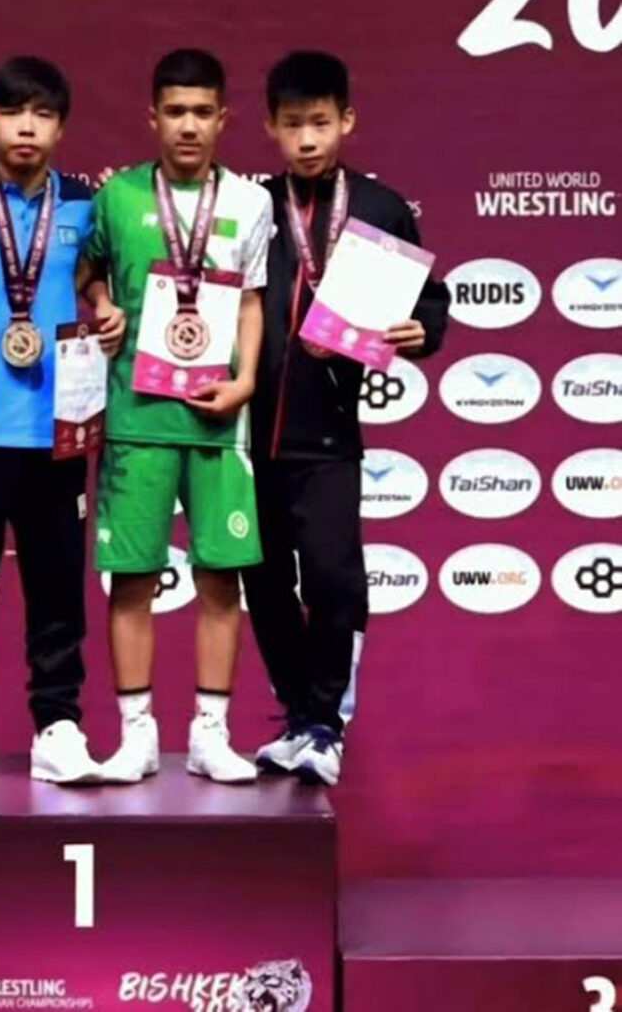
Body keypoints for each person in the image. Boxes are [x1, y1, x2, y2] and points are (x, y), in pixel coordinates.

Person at [244, 50, 450, 787]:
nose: (307, 139)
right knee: (264, 584)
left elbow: (429, 302)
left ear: (347, 121)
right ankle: (299, 716)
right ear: (270, 126)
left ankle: (327, 722)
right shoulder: (249, 207)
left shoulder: (380, 207)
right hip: (244, 441)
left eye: (321, 123)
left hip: (328, 436)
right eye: (292, 124)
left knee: (335, 580)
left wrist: (423, 332)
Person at [79, 48, 273, 785]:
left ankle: (209, 735)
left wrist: (245, 381)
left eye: (202, 113)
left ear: (223, 119)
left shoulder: (249, 201)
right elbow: (87, 273)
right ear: (153, 117)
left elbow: (250, 301)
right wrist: (103, 307)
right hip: (137, 417)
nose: (188, 126)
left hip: (219, 418)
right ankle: (135, 736)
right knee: (132, 580)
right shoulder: (118, 195)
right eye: (175, 112)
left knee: (222, 579)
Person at [0, 57, 119, 787]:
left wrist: (107, 304)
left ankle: (58, 727)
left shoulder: (88, 206)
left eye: (42, 113)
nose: (27, 127)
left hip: (55, 432)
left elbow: (106, 280)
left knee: (59, 590)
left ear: (62, 127)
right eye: (12, 113)